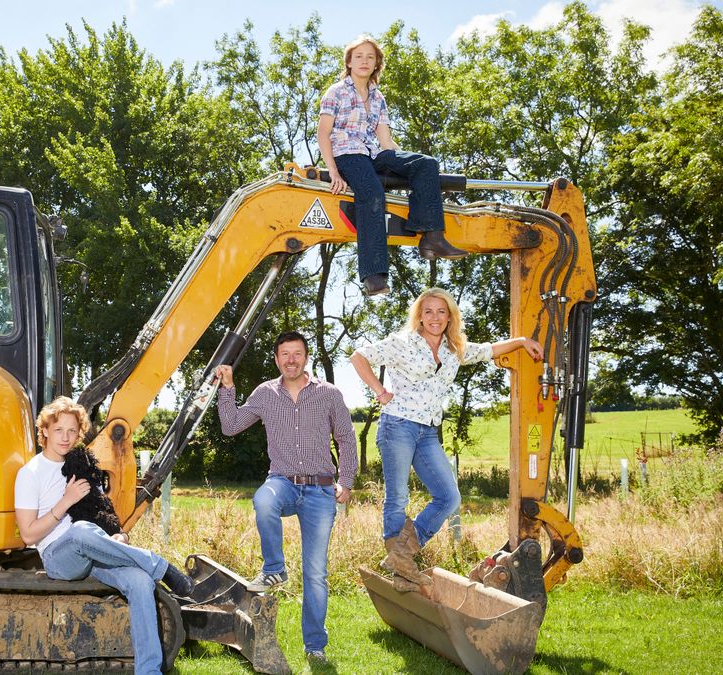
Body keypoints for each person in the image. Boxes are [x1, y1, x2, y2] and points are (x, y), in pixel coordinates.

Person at [349, 288, 543, 589]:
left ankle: (404, 553)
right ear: (420, 316)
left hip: (427, 431)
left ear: (450, 316)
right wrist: (380, 391)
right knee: (398, 497)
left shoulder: (455, 350)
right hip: (397, 425)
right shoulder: (402, 343)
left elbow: (489, 350)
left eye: (441, 311)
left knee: (449, 496)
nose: (435, 317)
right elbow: (359, 356)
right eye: (428, 311)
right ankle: (398, 563)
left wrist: (520, 342)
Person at [14, 396, 194, 675]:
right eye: (59, 430)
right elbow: (27, 535)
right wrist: (65, 502)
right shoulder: (30, 473)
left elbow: (102, 511)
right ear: (45, 430)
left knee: (140, 580)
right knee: (80, 531)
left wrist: (119, 535)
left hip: (96, 548)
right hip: (59, 557)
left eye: (72, 431)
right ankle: (161, 565)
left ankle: (149, 671)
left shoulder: (82, 466)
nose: (66, 437)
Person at [214, 331, 357, 665]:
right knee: (264, 500)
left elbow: (347, 439)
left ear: (305, 357)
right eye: (284, 354)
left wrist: (346, 480)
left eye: (297, 353)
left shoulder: (329, 394)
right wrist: (227, 387)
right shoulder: (265, 393)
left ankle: (315, 646)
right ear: (276, 359)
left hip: (321, 489)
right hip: (283, 481)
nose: (291, 359)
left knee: (316, 573)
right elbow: (231, 425)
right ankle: (275, 569)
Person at [317, 35, 467, 297]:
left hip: (374, 153)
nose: (364, 61)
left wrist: (408, 166)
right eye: (359, 56)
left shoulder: (377, 97)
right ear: (349, 62)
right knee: (373, 193)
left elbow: (386, 140)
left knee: (425, 164)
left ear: (377, 64)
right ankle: (374, 275)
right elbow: (323, 134)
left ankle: (431, 238)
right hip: (347, 154)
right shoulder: (337, 91)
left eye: (370, 57)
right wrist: (333, 171)